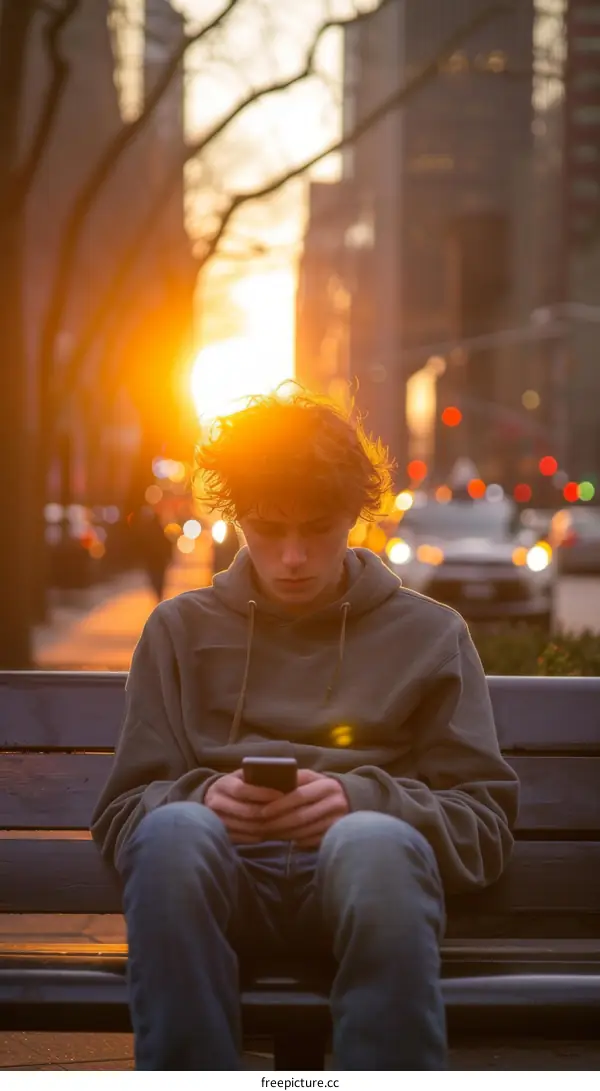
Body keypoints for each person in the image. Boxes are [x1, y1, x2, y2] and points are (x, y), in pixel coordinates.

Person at [91, 390, 519, 1071]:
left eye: (317, 528)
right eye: (268, 528)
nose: (292, 556)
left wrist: (361, 801)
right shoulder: (178, 631)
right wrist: (202, 799)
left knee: (372, 843)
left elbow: (484, 824)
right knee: (174, 835)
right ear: (237, 517)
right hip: (218, 886)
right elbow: (122, 816)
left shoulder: (431, 634)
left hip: (370, 890)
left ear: (354, 516)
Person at [129, 506, 173, 601]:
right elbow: (167, 544)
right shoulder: (160, 530)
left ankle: (158, 596)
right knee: (159, 579)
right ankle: (159, 596)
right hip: (158, 561)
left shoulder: (149, 530)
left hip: (153, 561)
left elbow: (143, 545)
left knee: (155, 579)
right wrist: (168, 556)